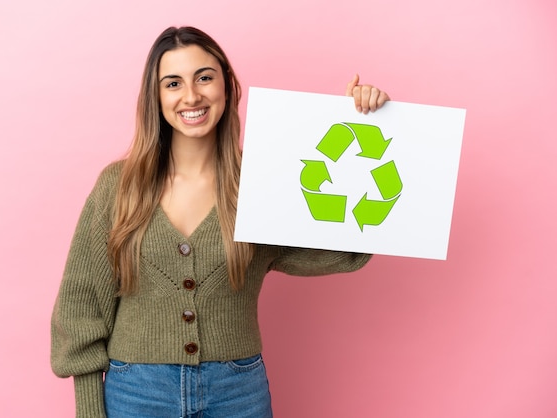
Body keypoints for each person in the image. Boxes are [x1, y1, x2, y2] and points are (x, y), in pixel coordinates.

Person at [51, 26, 390, 418]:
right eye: (173, 83)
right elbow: (81, 304)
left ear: (226, 86)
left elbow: (339, 248)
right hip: (136, 392)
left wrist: (368, 124)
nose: (191, 95)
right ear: (155, 97)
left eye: (204, 78)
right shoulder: (118, 186)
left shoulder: (262, 181)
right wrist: (90, 409)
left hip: (238, 392)